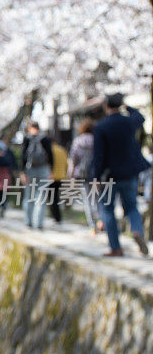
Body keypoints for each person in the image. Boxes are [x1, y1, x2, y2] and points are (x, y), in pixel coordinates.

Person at [91, 93, 150, 257]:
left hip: (110, 175)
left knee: (108, 210)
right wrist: (126, 106)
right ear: (120, 104)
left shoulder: (101, 127)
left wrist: (95, 177)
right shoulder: (129, 122)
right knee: (132, 207)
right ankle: (137, 231)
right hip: (129, 173)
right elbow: (140, 116)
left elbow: (98, 156)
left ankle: (116, 247)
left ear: (106, 106)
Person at [68, 118, 99, 233]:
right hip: (96, 173)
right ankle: (101, 220)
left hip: (82, 174)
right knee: (98, 198)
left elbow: (73, 159)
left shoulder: (78, 141)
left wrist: (70, 176)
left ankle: (92, 227)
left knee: (87, 200)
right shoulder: (97, 140)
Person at [20, 120, 53, 229]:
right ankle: (39, 223)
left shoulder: (27, 139)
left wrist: (22, 172)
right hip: (43, 169)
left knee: (28, 196)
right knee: (41, 197)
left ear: (29, 128)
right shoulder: (45, 138)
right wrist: (51, 170)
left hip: (30, 170)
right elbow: (50, 155)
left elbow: (23, 156)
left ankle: (28, 221)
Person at [48, 141, 69, 224]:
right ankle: (57, 217)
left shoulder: (49, 150)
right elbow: (66, 164)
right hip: (61, 176)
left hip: (51, 177)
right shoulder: (61, 150)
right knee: (55, 197)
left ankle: (56, 217)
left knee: (52, 198)